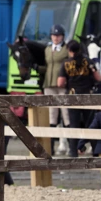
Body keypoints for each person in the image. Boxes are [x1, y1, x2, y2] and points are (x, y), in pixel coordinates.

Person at [58, 40, 101, 157]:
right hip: (87, 96)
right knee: (91, 124)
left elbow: (60, 83)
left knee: (74, 125)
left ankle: (73, 152)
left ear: (69, 50)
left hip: (72, 96)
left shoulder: (66, 64)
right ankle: (95, 151)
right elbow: (98, 77)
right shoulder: (88, 61)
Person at [43, 24, 69, 154]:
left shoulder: (66, 49)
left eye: (58, 36)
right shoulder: (47, 49)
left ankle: (71, 147)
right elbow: (48, 66)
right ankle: (51, 147)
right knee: (51, 116)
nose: (56, 38)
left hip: (62, 85)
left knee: (66, 115)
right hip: (49, 84)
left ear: (62, 37)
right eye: (54, 35)